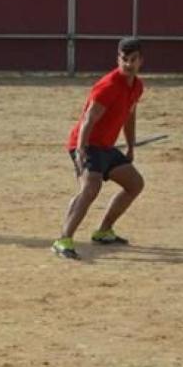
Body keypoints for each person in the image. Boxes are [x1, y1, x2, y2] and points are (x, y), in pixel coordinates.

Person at [52, 38, 147, 260]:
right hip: (86, 144)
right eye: (124, 60)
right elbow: (88, 119)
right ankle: (63, 239)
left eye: (133, 60)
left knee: (135, 184)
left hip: (105, 147)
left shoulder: (137, 86)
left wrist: (131, 147)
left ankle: (103, 230)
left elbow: (129, 116)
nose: (128, 64)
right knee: (90, 188)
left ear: (141, 61)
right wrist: (80, 151)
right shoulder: (108, 86)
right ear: (118, 59)